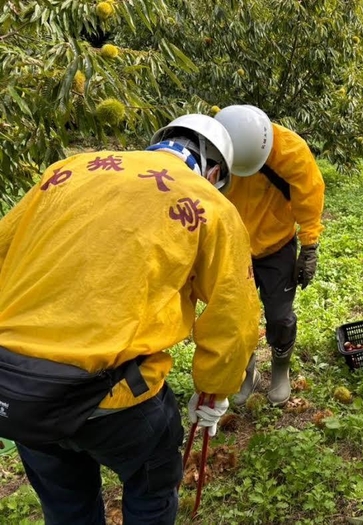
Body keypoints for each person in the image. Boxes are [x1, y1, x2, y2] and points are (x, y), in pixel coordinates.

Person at [0, 114, 261, 524]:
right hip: (112, 395)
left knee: (66, 507)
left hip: (18, 390)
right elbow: (235, 314)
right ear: (213, 172)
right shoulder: (209, 204)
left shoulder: (65, 171)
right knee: (151, 490)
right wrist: (215, 390)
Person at [215, 105, 325, 407]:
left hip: (277, 245)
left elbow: (309, 197)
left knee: (279, 315)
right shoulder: (216, 147)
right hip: (234, 246)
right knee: (237, 317)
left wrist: (310, 245)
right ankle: (248, 371)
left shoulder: (290, 151)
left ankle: (280, 368)